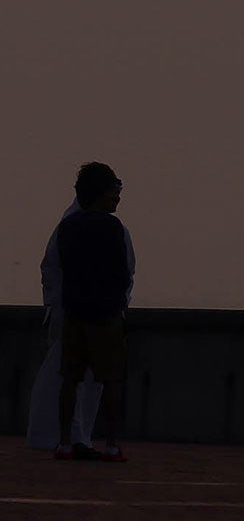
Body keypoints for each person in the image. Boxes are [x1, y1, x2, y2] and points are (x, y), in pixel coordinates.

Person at [28, 176, 132, 451]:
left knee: (70, 380)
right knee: (104, 381)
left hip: (72, 311)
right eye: (113, 193)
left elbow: (51, 270)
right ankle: (100, 442)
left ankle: (66, 439)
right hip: (101, 313)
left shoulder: (68, 226)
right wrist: (119, 303)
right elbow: (124, 272)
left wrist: (55, 304)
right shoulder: (113, 228)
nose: (117, 199)